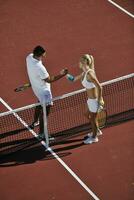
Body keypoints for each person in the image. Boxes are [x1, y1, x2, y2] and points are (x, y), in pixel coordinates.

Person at [26, 45, 68, 139]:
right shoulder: (40, 67)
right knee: (45, 112)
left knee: (39, 104)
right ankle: (41, 133)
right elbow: (49, 80)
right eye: (44, 53)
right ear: (41, 54)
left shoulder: (29, 57)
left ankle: (35, 121)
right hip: (44, 92)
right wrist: (62, 75)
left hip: (36, 88)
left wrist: (33, 81)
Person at [66, 54, 104, 144]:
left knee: (93, 119)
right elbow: (73, 79)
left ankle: (94, 137)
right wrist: (65, 74)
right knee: (86, 114)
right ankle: (97, 130)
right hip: (90, 100)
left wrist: (99, 101)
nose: (78, 63)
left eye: (80, 61)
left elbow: (100, 87)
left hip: (94, 101)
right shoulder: (84, 73)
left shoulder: (90, 74)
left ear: (84, 62)